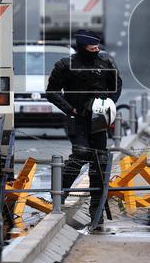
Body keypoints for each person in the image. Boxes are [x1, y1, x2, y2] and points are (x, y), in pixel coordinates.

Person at [45, 30, 122, 225]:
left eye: (97, 48)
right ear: (82, 48)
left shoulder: (105, 63)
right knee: (80, 153)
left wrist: (108, 105)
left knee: (99, 160)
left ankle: (96, 210)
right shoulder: (65, 65)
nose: (95, 51)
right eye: (91, 48)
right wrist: (70, 108)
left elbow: (116, 86)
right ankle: (58, 196)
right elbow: (52, 92)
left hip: (99, 118)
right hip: (76, 117)